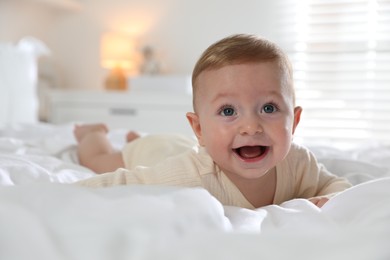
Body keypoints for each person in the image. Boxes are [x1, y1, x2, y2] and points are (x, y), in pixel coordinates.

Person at [76, 34, 352, 209]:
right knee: (100, 158)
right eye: (228, 111)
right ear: (199, 129)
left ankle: (137, 136)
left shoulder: (299, 163)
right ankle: (95, 133)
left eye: (269, 107)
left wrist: (329, 200)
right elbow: (116, 184)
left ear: (294, 122)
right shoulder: (186, 177)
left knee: (169, 146)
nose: (250, 126)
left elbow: (336, 184)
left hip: (182, 147)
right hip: (157, 152)